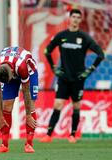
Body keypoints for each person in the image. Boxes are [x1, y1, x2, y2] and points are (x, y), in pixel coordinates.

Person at [39, 9, 105, 143]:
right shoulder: (61, 36)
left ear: (80, 20)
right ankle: (48, 135)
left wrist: (89, 71)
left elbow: (100, 54)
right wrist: (53, 68)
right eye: (73, 17)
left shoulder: (84, 38)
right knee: (58, 104)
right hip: (63, 78)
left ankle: (73, 135)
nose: (75, 19)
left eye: (78, 17)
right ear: (69, 18)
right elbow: (47, 51)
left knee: (76, 106)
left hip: (78, 79)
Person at [0, 47, 38, 153]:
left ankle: (29, 144)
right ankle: (4, 145)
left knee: (31, 105)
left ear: (12, 72)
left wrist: (28, 115)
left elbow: (26, 93)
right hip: (10, 69)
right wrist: (0, 116)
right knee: (6, 105)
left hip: (30, 72)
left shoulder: (22, 67)